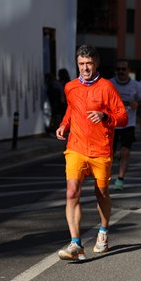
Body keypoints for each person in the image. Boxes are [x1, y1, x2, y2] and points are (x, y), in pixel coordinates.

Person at [55, 44, 127, 260]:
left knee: (101, 192)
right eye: (81, 63)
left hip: (100, 149)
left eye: (89, 63)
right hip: (75, 147)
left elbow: (123, 117)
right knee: (71, 192)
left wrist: (105, 116)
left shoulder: (107, 87)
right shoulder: (70, 87)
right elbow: (71, 109)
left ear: (96, 64)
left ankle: (103, 231)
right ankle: (75, 243)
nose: (85, 68)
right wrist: (64, 125)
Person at [110, 59, 141, 190]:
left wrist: (138, 104)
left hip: (128, 123)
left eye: (123, 69)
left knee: (126, 151)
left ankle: (120, 179)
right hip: (112, 123)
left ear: (129, 70)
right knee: (110, 153)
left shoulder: (136, 86)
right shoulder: (109, 83)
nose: (121, 72)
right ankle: (117, 155)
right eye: (118, 69)